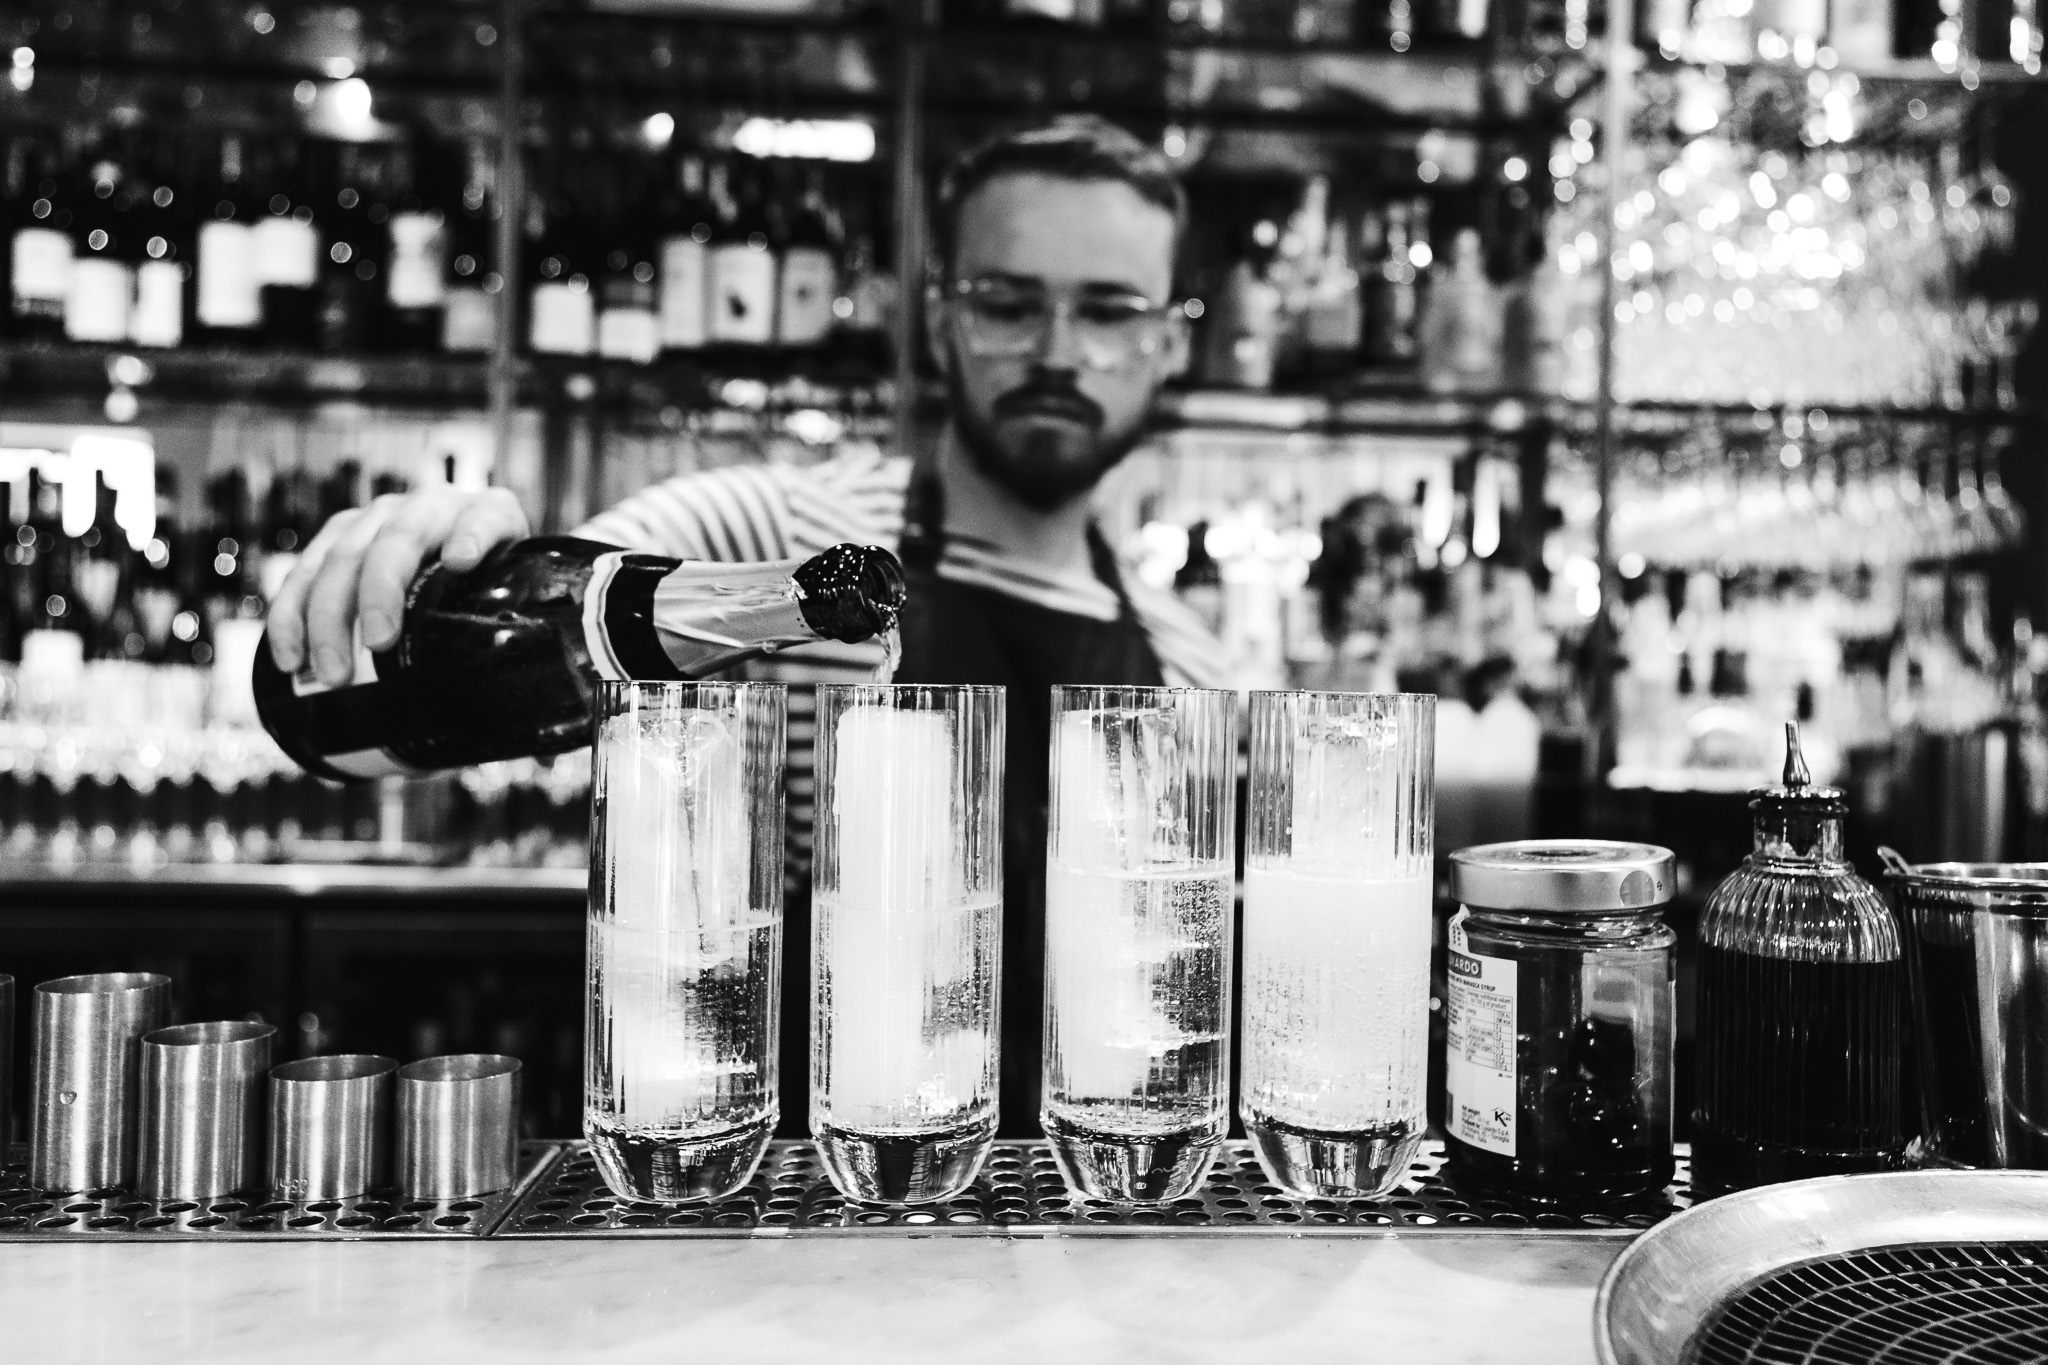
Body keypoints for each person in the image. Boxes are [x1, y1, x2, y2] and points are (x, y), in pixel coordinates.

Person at [265, 117, 1229, 1135]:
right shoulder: (783, 537)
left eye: (1110, 311)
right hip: (814, 1194)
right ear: (938, 319)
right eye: (1006, 302)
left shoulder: (1184, 663)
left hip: (1085, 1213)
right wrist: (443, 566)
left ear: (1168, 343)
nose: (1055, 351)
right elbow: (543, 625)